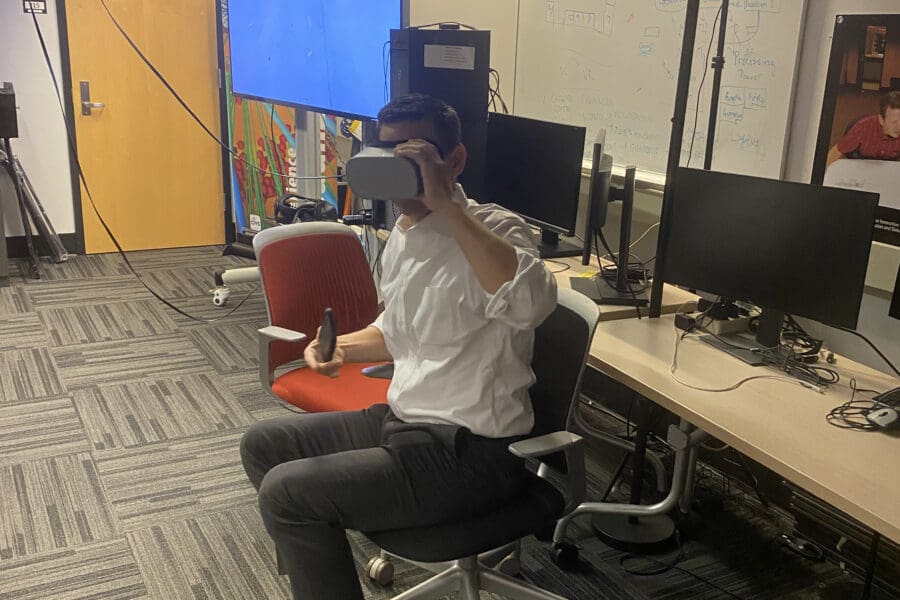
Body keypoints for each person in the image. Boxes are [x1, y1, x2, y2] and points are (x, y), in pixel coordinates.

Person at [240, 93, 558, 600]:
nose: (398, 168)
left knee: (288, 494)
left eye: (413, 153)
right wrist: (338, 348)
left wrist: (446, 206)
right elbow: (396, 331)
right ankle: (315, 567)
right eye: (388, 154)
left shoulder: (496, 227)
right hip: (402, 422)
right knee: (264, 445)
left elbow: (531, 303)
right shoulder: (406, 233)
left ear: (452, 160)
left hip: (471, 454)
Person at [826, 91, 900, 167]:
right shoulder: (863, 127)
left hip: (888, 167)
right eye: (894, 122)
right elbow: (838, 151)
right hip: (862, 165)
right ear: (881, 120)